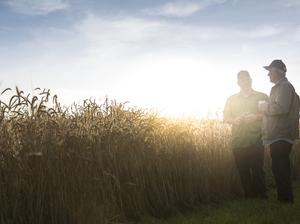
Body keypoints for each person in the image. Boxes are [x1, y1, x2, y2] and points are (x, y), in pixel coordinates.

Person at [258, 59, 299, 203]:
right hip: (278, 135)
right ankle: (284, 199)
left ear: (277, 72)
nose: (268, 75)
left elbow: (281, 108)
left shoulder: (285, 87)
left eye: (270, 71)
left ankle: (286, 200)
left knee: (280, 168)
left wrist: (263, 106)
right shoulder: (279, 87)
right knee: (278, 167)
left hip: (281, 135)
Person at [224, 70, 268, 199]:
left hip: (256, 139)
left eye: (247, 78)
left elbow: (269, 114)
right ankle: (249, 196)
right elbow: (226, 118)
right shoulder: (231, 99)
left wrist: (256, 117)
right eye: (242, 79)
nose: (245, 81)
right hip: (238, 140)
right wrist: (234, 120)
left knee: (258, 169)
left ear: (251, 80)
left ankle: (262, 195)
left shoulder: (262, 96)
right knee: (243, 170)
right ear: (238, 82)